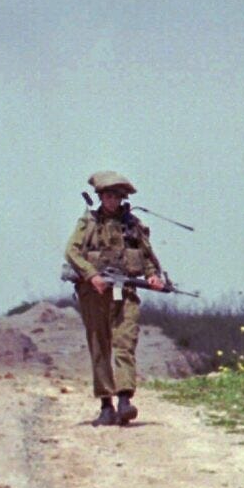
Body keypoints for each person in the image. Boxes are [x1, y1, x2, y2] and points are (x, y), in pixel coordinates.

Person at [64, 171, 165, 426]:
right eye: (106, 195)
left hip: (125, 290)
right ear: (100, 197)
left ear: (122, 198)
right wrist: (91, 275)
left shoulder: (133, 225)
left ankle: (124, 400)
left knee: (125, 341)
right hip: (95, 293)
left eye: (115, 196)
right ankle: (106, 404)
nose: (111, 200)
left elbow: (147, 257)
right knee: (99, 346)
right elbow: (71, 252)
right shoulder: (88, 223)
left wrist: (153, 277)